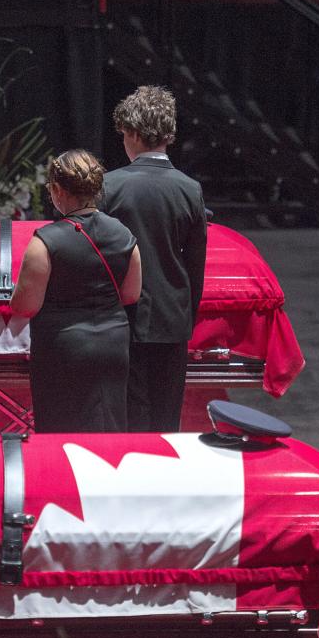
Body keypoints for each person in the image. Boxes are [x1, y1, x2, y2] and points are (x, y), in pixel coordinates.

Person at [11, 149, 142, 433]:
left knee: (62, 434)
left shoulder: (45, 242)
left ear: (57, 190)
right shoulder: (123, 233)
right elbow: (131, 293)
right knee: (108, 429)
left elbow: (25, 306)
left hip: (63, 349)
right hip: (113, 344)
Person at [102, 85, 207, 432]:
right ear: (168, 135)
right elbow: (195, 263)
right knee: (166, 421)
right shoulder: (189, 188)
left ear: (131, 133)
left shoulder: (109, 186)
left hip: (118, 317)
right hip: (172, 316)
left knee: (126, 420)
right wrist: (185, 313)